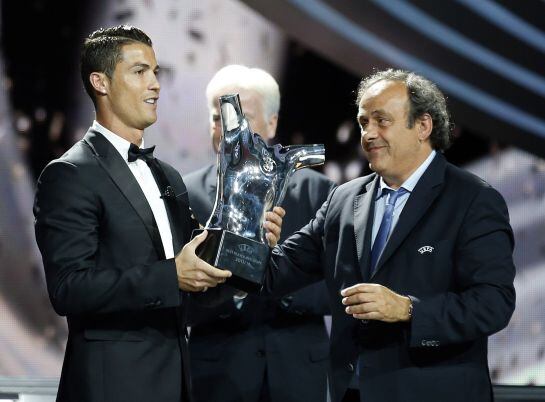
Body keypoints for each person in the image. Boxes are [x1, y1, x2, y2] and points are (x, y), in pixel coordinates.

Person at [33, 26, 282, 402]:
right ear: (100, 82)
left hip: (176, 384)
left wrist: (248, 248)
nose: (155, 85)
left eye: (156, 72)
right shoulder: (70, 174)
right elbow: (69, 289)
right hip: (111, 387)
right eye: (139, 72)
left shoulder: (166, 175)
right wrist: (171, 276)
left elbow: (194, 291)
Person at [265, 69, 516, 402]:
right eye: (363, 122)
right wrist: (255, 242)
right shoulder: (344, 199)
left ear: (423, 127)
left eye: (381, 121)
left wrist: (409, 310)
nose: (368, 134)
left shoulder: (473, 200)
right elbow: (278, 271)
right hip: (351, 391)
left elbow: (493, 304)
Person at [183, 65, 335, 402]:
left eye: (242, 117)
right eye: (218, 117)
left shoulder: (319, 193)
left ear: (272, 123)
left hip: (298, 376)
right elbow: (179, 300)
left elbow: (340, 286)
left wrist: (277, 275)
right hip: (217, 377)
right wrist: (236, 285)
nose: (229, 130)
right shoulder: (186, 193)